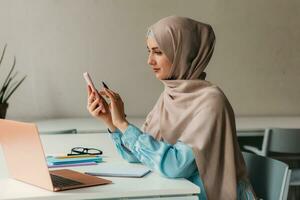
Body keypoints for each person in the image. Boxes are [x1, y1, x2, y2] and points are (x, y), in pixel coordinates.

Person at [87, 16, 256, 200]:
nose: (149, 61)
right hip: (181, 193)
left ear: (182, 54)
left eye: (158, 52)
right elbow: (139, 155)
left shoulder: (211, 102)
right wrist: (112, 122)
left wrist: (123, 123)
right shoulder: (169, 95)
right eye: (149, 51)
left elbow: (174, 166)